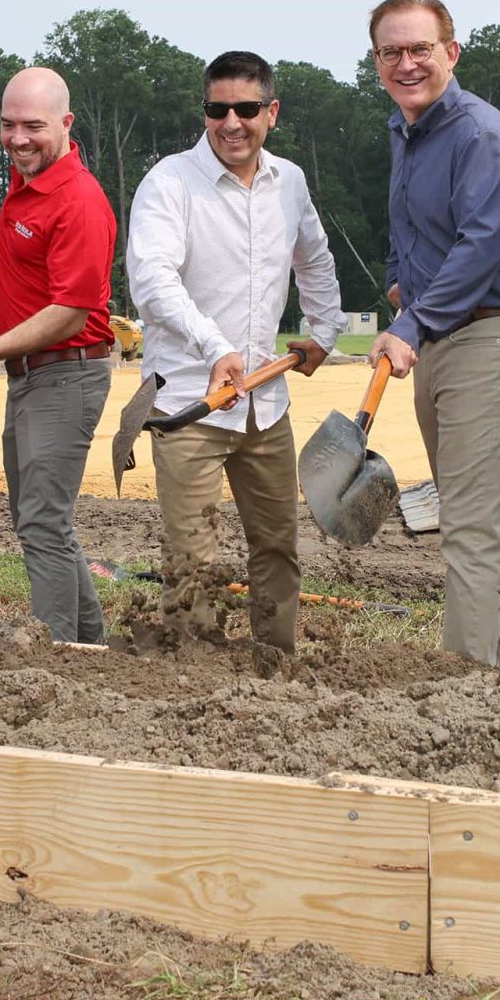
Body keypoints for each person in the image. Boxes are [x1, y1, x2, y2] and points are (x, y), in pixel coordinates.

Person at [126, 51, 346, 652]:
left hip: (264, 408)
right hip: (189, 405)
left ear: (270, 113)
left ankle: (276, 662)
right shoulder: (170, 182)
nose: (231, 122)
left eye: (246, 109)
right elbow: (152, 278)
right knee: (192, 555)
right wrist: (215, 345)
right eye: (217, 109)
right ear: (205, 112)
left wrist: (324, 332)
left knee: (277, 544)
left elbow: (316, 261)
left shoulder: (290, 182)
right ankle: (195, 676)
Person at [366, 0, 500, 665]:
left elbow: (481, 245)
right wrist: (397, 285)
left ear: (451, 53)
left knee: (468, 529)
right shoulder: (408, 132)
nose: (406, 64)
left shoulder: (478, 134)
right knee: (480, 525)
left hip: (488, 339)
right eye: (391, 52)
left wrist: (412, 322)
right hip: (444, 339)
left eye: (420, 50)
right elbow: (409, 232)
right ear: (377, 61)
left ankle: (470, 689)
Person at [0, 66, 119, 644]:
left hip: (66, 375)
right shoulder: (28, 178)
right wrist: (11, 272)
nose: (18, 139)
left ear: (67, 124)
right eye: (7, 125)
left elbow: (70, 312)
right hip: (33, 377)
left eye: (33, 126)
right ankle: (89, 645)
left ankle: (55, 649)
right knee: (38, 520)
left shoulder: (78, 199)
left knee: (44, 522)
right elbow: (37, 249)